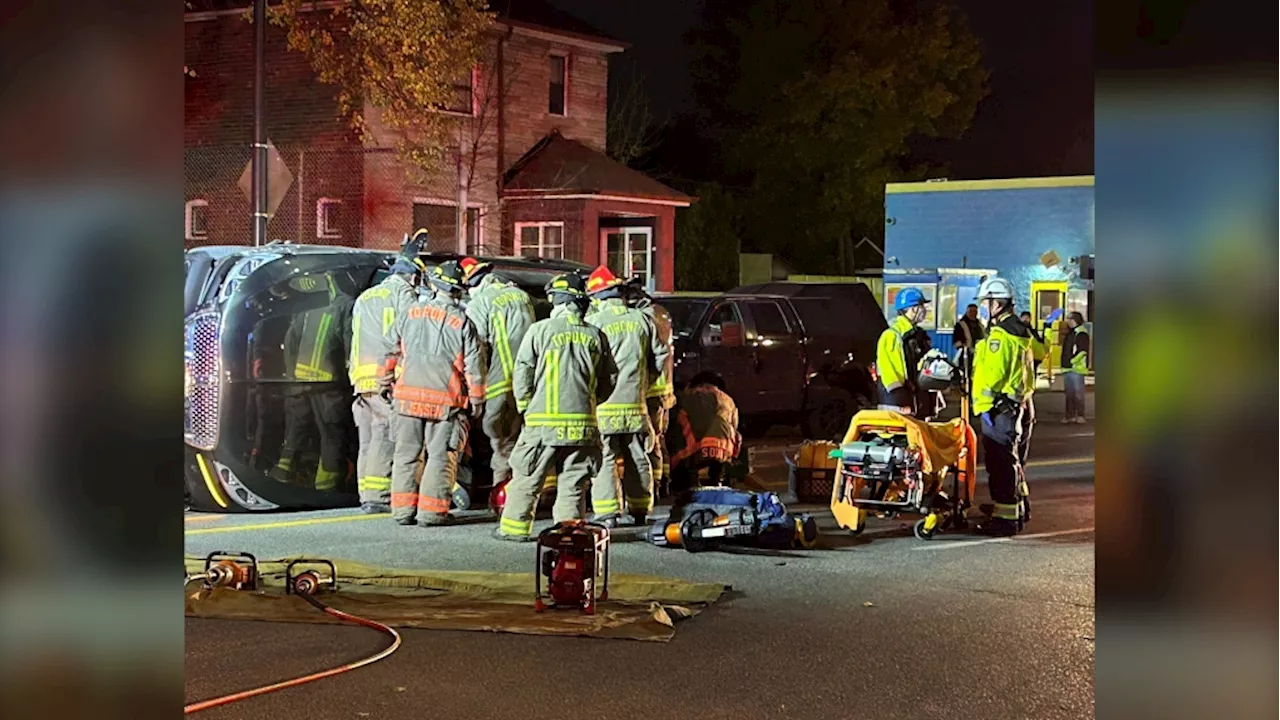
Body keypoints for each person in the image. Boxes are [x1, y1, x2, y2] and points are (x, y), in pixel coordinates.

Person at [494, 273, 617, 541]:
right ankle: (569, 533)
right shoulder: (596, 335)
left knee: (528, 477)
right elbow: (610, 380)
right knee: (574, 482)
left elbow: (523, 371)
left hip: (543, 424)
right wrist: (590, 404)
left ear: (557, 300)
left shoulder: (540, 331)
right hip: (583, 426)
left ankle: (513, 530)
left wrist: (526, 406)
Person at [385, 260, 486, 527]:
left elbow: (390, 350)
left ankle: (402, 511)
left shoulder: (410, 312)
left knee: (406, 455)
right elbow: (474, 367)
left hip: (406, 399)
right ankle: (431, 512)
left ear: (433, 285)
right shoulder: (463, 321)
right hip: (445, 403)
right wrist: (477, 400)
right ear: (457, 290)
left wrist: (385, 383)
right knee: (440, 457)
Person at [583, 267, 668, 528]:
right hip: (635, 405)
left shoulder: (595, 322)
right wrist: (648, 383)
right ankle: (641, 509)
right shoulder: (643, 320)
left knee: (606, 458)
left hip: (605, 406)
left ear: (598, 296)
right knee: (636, 456)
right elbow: (661, 358)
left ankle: (608, 513)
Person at [348, 233, 425, 513]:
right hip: (385, 376)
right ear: (413, 277)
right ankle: (378, 496)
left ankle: (365, 491)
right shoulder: (403, 295)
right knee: (384, 436)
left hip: (360, 377)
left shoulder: (366, 296)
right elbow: (409, 333)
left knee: (367, 439)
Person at [459, 256, 537, 493]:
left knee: (501, 441)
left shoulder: (480, 303)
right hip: (530, 381)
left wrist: (474, 390)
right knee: (525, 437)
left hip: (499, 381)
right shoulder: (520, 295)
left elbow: (477, 348)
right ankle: (532, 489)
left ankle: (503, 492)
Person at [273, 272, 354, 492]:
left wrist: (292, 377)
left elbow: (291, 340)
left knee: (296, 431)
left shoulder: (308, 306)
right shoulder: (346, 305)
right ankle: (327, 488)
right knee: (332, 435)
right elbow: (349, 345)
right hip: (328, 383)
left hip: (301, 380)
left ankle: (281, 477)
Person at [970, 277, 1035, 537]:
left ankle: (1005, 520)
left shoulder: (1000, 334)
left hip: (999, 408)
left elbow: (995, 374)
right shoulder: (1018, 329)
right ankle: (1018, 508)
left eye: (986, 302)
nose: (984, 307)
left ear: (997, 303)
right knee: (1013, 461)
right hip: (1016, 404)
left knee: (1000, 464)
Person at [625, 276, 677, 495]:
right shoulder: (660, 313)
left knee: (650, 439)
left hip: (650, 387)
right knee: (658, 437)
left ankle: (654, 484)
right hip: (665, 386)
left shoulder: (643, 317)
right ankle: (663, 480)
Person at [666, 372, 742, 494]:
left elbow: (678, 421)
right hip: (724, 449)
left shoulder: (690, 397)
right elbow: (734, 426)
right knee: (716, 463)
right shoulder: (728, 400)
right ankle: (717, 481)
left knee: (683, 451)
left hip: (697, 447)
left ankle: (691, 482)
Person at [876, 287, 931, 415]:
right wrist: (901, 399)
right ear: (912, 309)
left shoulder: (918, 335)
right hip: (896, 401)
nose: (924, 310)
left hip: (912, 398)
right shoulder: (892, 336)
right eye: (921, 306)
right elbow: (891, 374)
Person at [1061, 311, 1090, 423]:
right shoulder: (1070, 333)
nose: (1068, 321)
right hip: (1068, 368)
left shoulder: (1081, 333)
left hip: (1076, 368)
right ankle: (1070, 415)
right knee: (1069, 394)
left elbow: (1083, 351)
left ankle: (1080, 415)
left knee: (1078, 393)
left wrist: (1071, 361)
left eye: (1070, 319)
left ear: (1075, 320)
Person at [1020, 310, 1049, 376]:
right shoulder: (1018, 330)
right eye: (1024, 317)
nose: (1025, 319)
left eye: (1027, 318)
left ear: (1030, 319)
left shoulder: (1032, 331)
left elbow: (1038, 341)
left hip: (1033, 356)